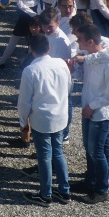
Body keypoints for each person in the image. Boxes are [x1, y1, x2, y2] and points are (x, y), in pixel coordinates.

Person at [17, 34, 72, 207]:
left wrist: (23, 122)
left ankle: (45, 194)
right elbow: (69, 87)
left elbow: (24, 101)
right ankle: (64, 190)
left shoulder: (30, 71)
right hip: (61, 115)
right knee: (58, 153)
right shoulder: (61, 64)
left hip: (42, 119)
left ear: (31, 49)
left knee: (44, 156)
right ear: (49, 48)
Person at [71, 23, 109, 203]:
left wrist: (92, 106)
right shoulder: (90, 59)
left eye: (80, 39)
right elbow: (84, 79)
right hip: (88, 110)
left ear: (90, 41)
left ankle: (101, 190)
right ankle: (90, 181)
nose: (77, 42)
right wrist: (74, 69)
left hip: (101, 114)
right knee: (89, 148)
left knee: (97, 151)